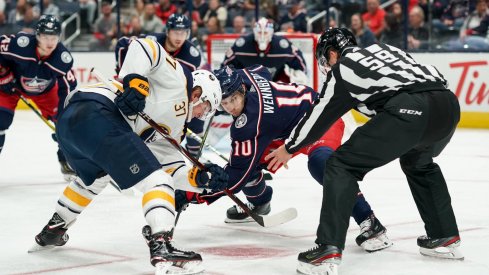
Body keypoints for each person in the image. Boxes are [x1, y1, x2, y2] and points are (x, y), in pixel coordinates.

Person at [265, 28, 463, 275]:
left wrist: (289, 147)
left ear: (333, 53)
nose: (326, 66)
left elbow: (317, 117)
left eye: (325, 59)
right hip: (448, 105)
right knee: (419, 161)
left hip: (410, 110)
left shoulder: (343, 70)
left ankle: (327, 249)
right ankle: (444, 235)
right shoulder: (386, 49)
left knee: (340, 166)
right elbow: (420, 81)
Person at [30, 37, 227, 275]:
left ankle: (55, 228)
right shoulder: (179, 79)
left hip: (71, 126)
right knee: (157, 181)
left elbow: (172, 169)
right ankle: (162, 245)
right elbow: (144, 46)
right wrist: (136, 81)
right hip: (97, 110)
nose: (200, 116)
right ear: (198, 93)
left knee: (96, 178)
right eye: (205, 109)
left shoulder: (175, 129)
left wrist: (201, 180)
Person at [178, 64, 393, 253]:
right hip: (283, 128)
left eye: (233, 99)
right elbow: (262, 70)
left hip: (319, 116)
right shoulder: (242, 76)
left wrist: (191, 196)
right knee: (247, 162)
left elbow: (235, 179)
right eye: (224, 103)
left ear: (242, 89)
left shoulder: (248, 124)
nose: (231, 108)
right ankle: (260, 202)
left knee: (322, 164)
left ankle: (370, 222)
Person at [115, 13, 206, 158]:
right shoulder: (151, 40)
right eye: (176, 32)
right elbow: (122, 44)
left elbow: (187, 86)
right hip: (144, 88)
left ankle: (193, 152)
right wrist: (125, 76)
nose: (179, 37)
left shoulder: (192, 55)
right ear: (167, 31)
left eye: (184, 33)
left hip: (168, 94)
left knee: (192, 111)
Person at [0, 15, 77, 181]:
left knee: (67, 124)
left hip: (46, 93)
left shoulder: (62, 58)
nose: (50, 42)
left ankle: (66, 160)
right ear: (37, 36)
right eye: (45, 37)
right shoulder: (21, 44)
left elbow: (68, 88)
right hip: (12, 86)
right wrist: (4, 75)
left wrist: (62, 119)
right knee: (0, 120)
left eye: (54, 37)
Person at [222, 17, 308, 85]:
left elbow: (299, 62)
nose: (262, 36)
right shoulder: (242, 45)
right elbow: (226, 64)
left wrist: (299, 75)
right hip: (248, 84)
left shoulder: (281, 46)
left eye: (265, 33)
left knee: (299, 78)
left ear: (271, 33)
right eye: (259, 33)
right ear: (254, 32)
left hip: (275, 83)